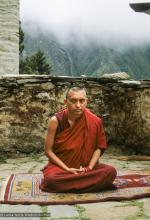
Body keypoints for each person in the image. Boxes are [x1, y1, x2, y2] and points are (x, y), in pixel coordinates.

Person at [40, 87, 117, 193]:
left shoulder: (95, 121)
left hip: (86, 169)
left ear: (87, 101)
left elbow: (99, 147)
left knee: (111, 172)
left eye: (82, 101)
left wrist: (89, 168)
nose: (78, 105)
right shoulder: (56, 121)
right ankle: (89, 184)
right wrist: (67, 169)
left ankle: (72, 184)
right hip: (61, 168)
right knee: (51, 180)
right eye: (73, 101)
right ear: (65, 102)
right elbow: (48, 151)